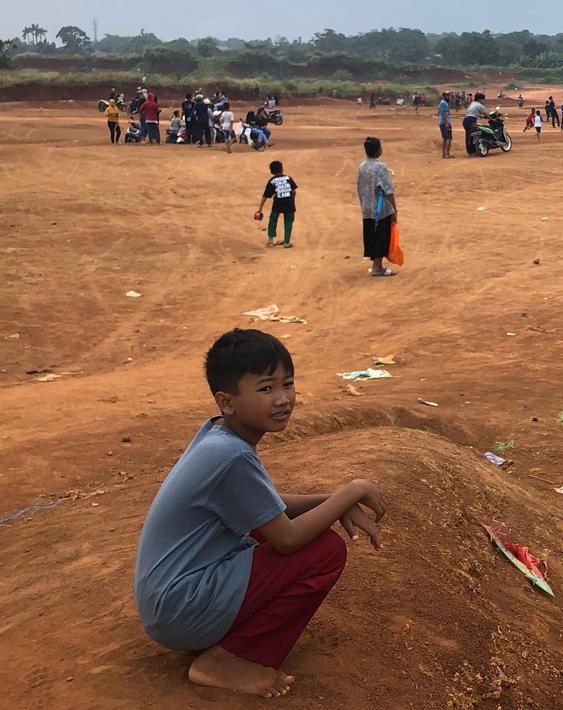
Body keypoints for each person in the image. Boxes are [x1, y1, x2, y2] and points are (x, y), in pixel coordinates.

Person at [133, 328, 387, 698]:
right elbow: (286, 540)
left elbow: (266, 506)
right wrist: (352, 490)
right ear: (227, 401)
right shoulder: (231, 454)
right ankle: (225, 660)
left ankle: (217, 633)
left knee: (267, 531)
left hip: (170, 604)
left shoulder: (218, 436)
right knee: (324, 551)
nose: (283, 399)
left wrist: (333, 501)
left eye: (288, 384)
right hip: (180, 609)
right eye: (266, 389)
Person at [357, 137, 398, 277]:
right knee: (382, 237)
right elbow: (388, 190)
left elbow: (359, 187)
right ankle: (377, 267)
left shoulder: (362, 166)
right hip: (380, 210)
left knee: (371, 236)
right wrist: (394, 210)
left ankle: (376, 265)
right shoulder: (380, 167)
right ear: (379, 150)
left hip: (367, 208)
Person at [256, 161, 298, 248]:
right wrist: (291, 199)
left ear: (271, 171)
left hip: (278, 202)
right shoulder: (288, 178)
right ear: (282, 169)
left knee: (273, 219)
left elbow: (265, 196)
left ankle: (270, 241)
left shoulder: (272, 181)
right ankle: (286, 242)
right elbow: (294, 191)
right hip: (289, 202)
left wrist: (260, 209)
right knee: (288, 221)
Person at [437, 92, 453, 159]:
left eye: (449, 95)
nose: (449, 97)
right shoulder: (443, 103)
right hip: (444, 123)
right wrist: (446, 123)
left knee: (444, 138)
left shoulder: (443, 102)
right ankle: (447, 154)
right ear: (444, 96)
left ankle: (444, 154)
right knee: (448, 138)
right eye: (448, 95)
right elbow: (443, 113)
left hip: (442, 122)